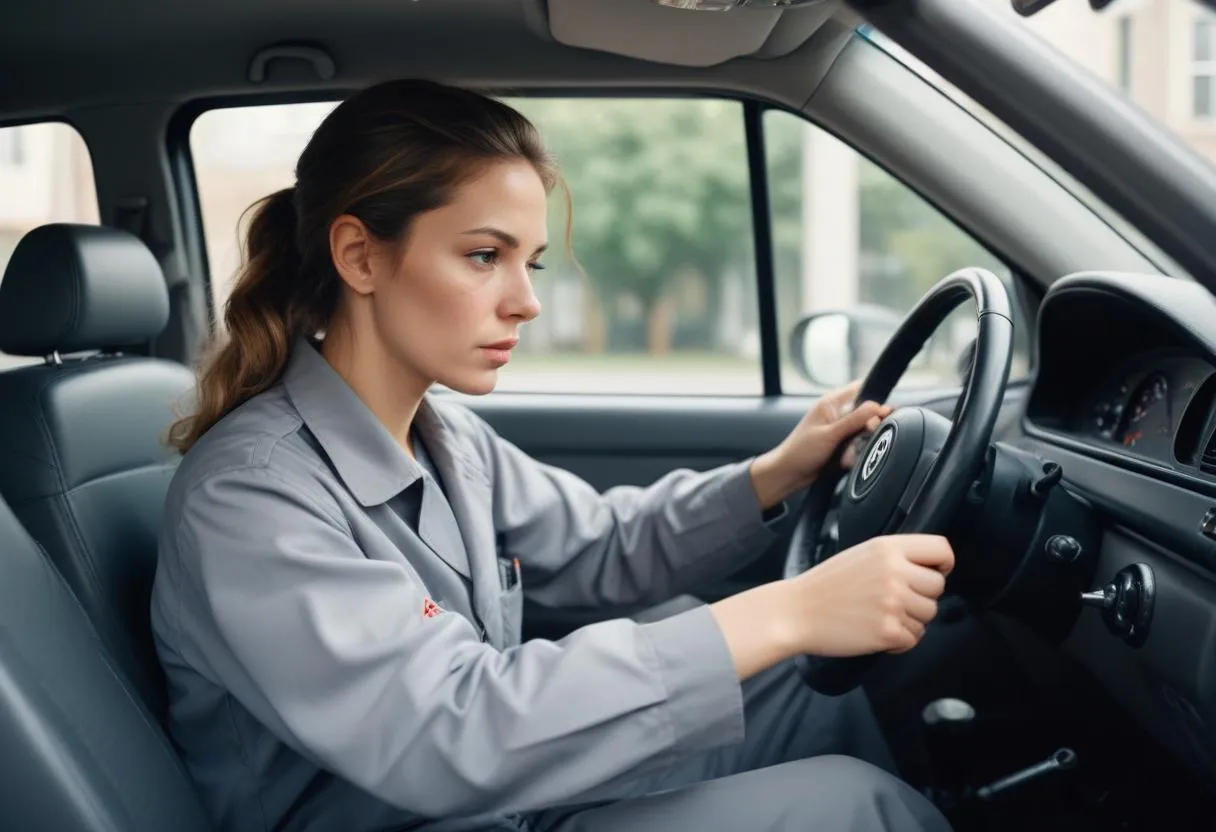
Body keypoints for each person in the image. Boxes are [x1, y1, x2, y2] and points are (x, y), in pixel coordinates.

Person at [151, 78, 955, 832]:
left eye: (528, 263)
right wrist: (788, 609)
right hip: (432, 809)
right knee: (860, 805)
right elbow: (444, 730)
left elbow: (602, 544)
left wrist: (781, 471)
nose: (527, 301)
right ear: (360, 256)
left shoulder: (446, 435)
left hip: (501, 797)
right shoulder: (250, 496)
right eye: (482, 256)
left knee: (801, 688)